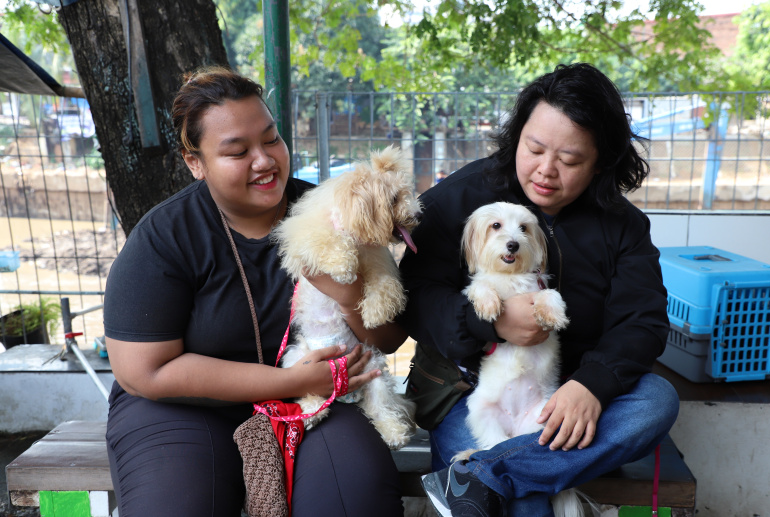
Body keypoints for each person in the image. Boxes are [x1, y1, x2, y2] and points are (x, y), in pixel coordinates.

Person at [103, 66, 407, 517]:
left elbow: (390, 338)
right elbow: (142, 372)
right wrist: (290, 380)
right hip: (183, 407)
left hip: (320, 397)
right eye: (237, 151)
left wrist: (348, 296)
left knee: (353, 496)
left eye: (271, 139)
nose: (264, 160)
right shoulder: (164, 237)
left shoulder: (331, 218)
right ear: (195, 163)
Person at [398, 62, 680, 516]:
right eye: (534, 148)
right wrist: (486, 322)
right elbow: (414, 295)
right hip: (469, 394)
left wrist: (592, 385)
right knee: (527, 505)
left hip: (566, 393)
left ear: (601, 161)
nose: (546, 171)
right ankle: (514, 472)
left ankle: (484, 474)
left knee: (656, 401)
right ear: (518, 135)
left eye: (569, 160)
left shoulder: (623, 225)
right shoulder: (461, 199)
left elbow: (643, 321)